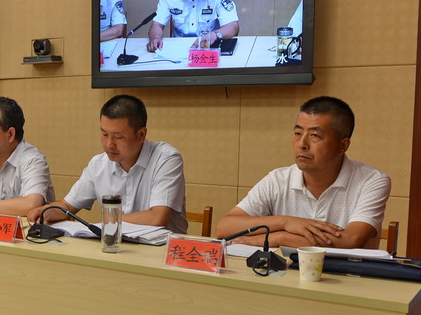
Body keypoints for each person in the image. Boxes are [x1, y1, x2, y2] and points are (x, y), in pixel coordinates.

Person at [216, 96, 391, 249]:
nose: (302, 144)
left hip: (347, 276)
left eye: (315, 135)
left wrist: (279, 238)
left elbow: (350, 240)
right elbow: (225, 228)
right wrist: (285, 222)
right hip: (285, 274)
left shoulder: (371, 181)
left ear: (343, 145)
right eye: (298, 133)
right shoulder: (278, 179)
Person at [27, 94, 187, 233]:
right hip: (115, 247)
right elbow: (67, 206)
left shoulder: (166, 159)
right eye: (104, 134)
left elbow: (157, 217)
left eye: (118, 137)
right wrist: (45, 211)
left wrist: (106, 222)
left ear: (141, 134)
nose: (109, 144)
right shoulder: (98, 164)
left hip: (160, 251)